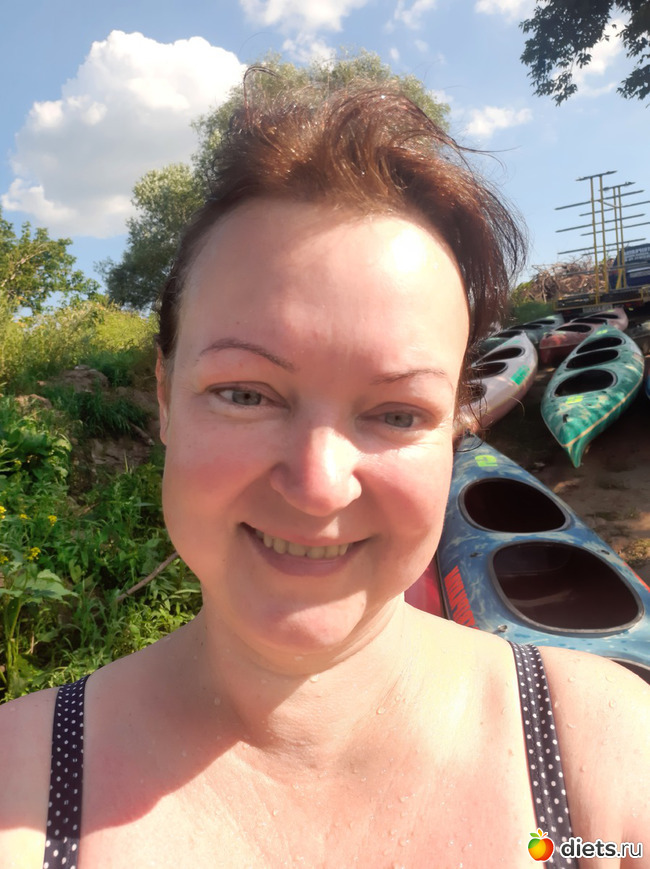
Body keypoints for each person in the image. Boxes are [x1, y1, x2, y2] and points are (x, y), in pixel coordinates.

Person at [0, 79, 648, 869]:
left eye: (397, 412)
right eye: (246, 393)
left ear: (456, 425)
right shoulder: (19, 795)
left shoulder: (609, 766)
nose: (318, 484)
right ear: (165, 397)